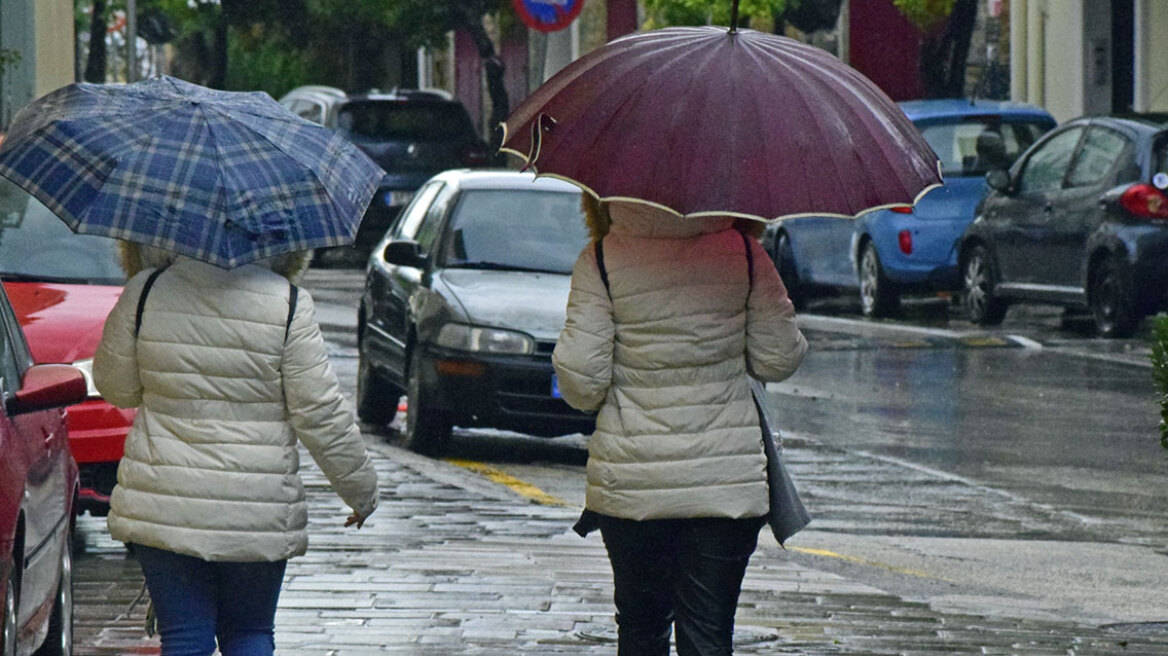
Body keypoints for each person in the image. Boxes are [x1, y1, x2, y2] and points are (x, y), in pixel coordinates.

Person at [93, 243, 380, 656]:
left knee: (185, 635)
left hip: (166, 499)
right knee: (250, 632)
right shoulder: (287, 305)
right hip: (257, 506)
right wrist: (360, 491)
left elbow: (116, 387)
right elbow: (320, 412)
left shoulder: (146, 292)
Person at [552, 197, 808, 656]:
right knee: (709, 635)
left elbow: (582, 384)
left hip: (633, 482)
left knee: (641, 629)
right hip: (725, 486)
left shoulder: (602, 259)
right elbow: (778, 357)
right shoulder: (746, 255)